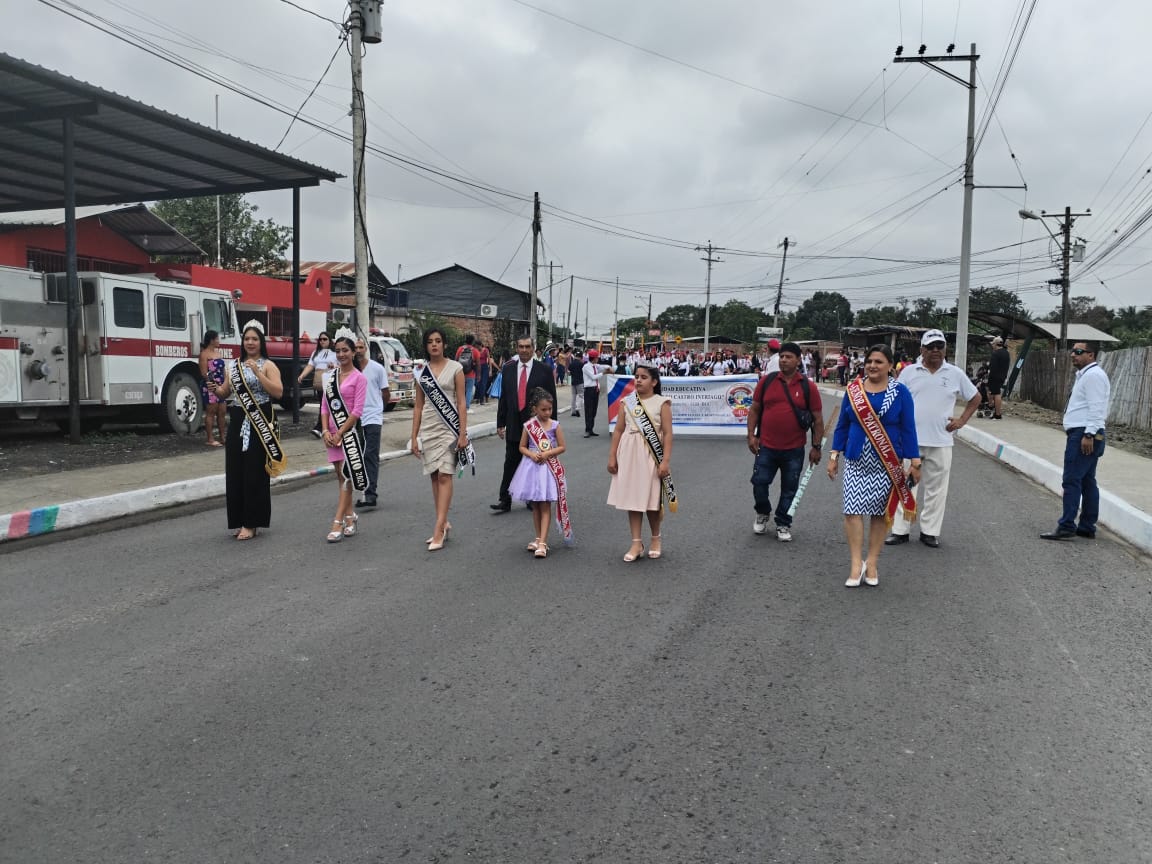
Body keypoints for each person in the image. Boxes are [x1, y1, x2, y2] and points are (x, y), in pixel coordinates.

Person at [827, 345, 920, 587]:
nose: (872, 365)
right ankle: (855, 564)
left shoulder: (900, 392)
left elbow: (908, 428)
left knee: (880, 514)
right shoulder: (854, 390)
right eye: (869, 361)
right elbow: (843, 425)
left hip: (886, 464)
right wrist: (834, 456)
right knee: (852, 511)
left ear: (890, 365)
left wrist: (915, 461)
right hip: (856, 461)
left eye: (878, 361)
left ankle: (872, 562)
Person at [884, 329, 980, 550]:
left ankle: (930, 532)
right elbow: (895, 399)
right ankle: (900, 530)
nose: (935, 350)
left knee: (937, 490)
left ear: (945, 349)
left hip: (941, 441)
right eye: (930, 347)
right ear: (922, 349)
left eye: (939, 346)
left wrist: (962, 420)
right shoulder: (909, 373)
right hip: (910, 441)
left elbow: (975, 397)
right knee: (904, 485)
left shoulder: (955, 373)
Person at [208, 321, 284, 541]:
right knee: (235, 471)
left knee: (254, 472)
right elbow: (225, 392)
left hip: (260, 420)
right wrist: (216, 389)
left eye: (254, 339)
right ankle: (239, 519)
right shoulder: (233, 365)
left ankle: (252, 522)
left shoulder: (268, 365)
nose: (250, 342)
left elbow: (278, 392)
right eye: (247, 339)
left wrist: (258, 373)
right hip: (238, 418)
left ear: (261, 342)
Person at [747, 342, 825, 542]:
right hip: (766, 446)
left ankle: (783, 522)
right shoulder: (767, 382)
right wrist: (751, 435)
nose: (783, 360)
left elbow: (817, 419)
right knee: (759, 483)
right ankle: (762, 512)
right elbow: (754, 409)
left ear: (798, 360)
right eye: (781, 356)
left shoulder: (808, 387)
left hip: (794, 449)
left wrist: (816, 447)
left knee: (789, 489)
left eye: (789, 357)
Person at [1041, 341, 1111, 541]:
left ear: (1091, 355)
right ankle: (1087, 527)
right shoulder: (1087, 375)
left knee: (1071, 480)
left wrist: (1088, 435)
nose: (1073, 354)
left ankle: (1066, 526)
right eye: (1072, 351)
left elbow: (1097, 408)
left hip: (1084, 434)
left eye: (1078, 351)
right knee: (1087, 481)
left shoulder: (1093, 376)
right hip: (1085, 432)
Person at [607, 362, 674, 561]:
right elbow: (618, 430)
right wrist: (612, 456)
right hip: (629, 453)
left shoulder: (662, 403)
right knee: (632, 499)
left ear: (654, 382)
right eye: (636, 376)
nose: (638, 380)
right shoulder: (627, 402)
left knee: (652, 500)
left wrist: (665, 461)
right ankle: (636, 542)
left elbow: (668, 434)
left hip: (651, 456)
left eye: (644, 377)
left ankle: (655, 538)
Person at [411, 328, 469, 550]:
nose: (434, 345)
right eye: (430, 341)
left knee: (445, 474)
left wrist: (462, 433)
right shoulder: (421, 372)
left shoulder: (456, 368)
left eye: (438, 341)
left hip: (449, 428)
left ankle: (438, 529)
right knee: (435, 476)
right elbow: (418, 406)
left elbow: (461, 402)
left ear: (444, 344)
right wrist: (414, 436)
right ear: (426, 346)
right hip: (428, 427)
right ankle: (443, 521)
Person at [493, 337, 558, 512]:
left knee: (534, 463)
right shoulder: (508, 369)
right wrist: (500, 422)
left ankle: (532, 498)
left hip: (536, 425)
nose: (524, 350)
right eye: (520, 347)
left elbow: (551, 398)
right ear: (516, 348)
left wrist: (551, 427)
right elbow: (504, 398)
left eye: (527, 347)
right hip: (514, 423)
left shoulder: (544, 370)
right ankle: (505, 499)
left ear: (533, 348)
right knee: (510, 461)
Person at [508, 388, 570, 558]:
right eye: (543, 409)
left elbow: (562, 447)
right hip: (531, 468)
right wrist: (531, 454)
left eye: (550, 409)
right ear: (535, 409)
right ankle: (538, 537)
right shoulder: (529, 426)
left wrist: (548, 453)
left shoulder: (555, 425)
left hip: (548, 469)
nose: (547, 412)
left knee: (545, 504)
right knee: (535, 505)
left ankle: (543, 542)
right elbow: (522, 447)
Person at [321, 333, 368, 543]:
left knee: (346, 478)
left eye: (345, 350)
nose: (341, 354)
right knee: (341, 478)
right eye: (338, 351)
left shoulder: (360, 378)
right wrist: (325, 431)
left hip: (350, 435)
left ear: (353, 352)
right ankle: (350, 517)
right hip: (331, 434)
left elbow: (357, 411)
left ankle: (337, 521)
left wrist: (340, 432)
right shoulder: (331, 377)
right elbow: (324, 406)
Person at [354, 337, 390, 509]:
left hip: (373, 417)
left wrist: (379, 409)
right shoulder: (349, 370)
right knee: (357, 456)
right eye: (355, 347)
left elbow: (386, 392)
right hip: (354, 419)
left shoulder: (377, 368)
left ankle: (370, 494)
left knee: (370, 454)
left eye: (361, 347)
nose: (358, 350)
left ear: (366, 349)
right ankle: (360, 491)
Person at [297, 332, 336, 438]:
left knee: (326, 404)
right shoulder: (316, 352)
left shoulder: (335, 353)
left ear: (330, 340)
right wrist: (302, 375)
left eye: (325, 339)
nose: (322, 341)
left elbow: (342, 365)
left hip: (331, 381)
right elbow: (310, 365)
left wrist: (334, 366)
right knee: (324, 404)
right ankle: (323, 427)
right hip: (319, 382)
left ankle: (320, 427)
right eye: (320, 339)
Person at [198, 330, 227, 448]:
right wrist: (214, 384)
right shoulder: (204, 355)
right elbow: (204, 373)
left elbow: (223, 370)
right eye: (217, 339)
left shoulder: (218, 353)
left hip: (221, 386)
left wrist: (225, 383)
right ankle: (210, 438)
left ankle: (222, 437)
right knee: (211, 412)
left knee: (222, 411)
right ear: (211, 340)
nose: (219, 341)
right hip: (210, 386)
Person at [581, 348, 615, 437]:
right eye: (597, 358)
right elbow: (593, 377)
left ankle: (591, 429)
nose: (598, 359)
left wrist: (609, 368)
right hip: (589, 390)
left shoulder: (595, 365)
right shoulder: (586, 367)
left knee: (594, 410)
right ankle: (587, 430)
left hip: (595, 390)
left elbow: (603, 366)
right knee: (588, 410)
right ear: (594, 358)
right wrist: (604, 373)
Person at [987, 336, 1011, 419]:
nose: (992, 346)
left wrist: (990, 377)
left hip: (995, 376)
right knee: (995, 393)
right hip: (1003, 376)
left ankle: (997, 414)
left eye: (993, 344)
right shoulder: (1006, 353)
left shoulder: (996, 353)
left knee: (996, 394)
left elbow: (992, 367)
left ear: (996, 344)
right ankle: (993, 408)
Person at [455, 333, 478, 411]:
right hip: (471, 374)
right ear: (473, 342)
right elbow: (478, 364)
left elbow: (456, 360)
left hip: (460, 373)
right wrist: (478, 375)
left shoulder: (460, 349)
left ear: (465, 341)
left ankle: (459, 406)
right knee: (469, 390)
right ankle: (466, 408)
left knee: (460, 390)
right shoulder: (475, 351)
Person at [568, 348, 584, 417]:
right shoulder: (581, 364)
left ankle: (573, 411)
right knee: (580, 395)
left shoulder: (571, 364)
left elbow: (568, 373)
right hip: (580, 381)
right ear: (580, 357)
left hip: (573, 381)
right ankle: (578, 408)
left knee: (573, 396)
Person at [475, 340, 491, 406]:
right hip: (478, 367)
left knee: (483, 384)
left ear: (480, 345)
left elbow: (489, 360)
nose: (477, 347)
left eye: (477, 346)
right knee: (477, 383)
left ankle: (482, 399)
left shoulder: (486, 350)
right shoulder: (476, 351)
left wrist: (490, 370)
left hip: (484, 368)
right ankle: (478, 397)